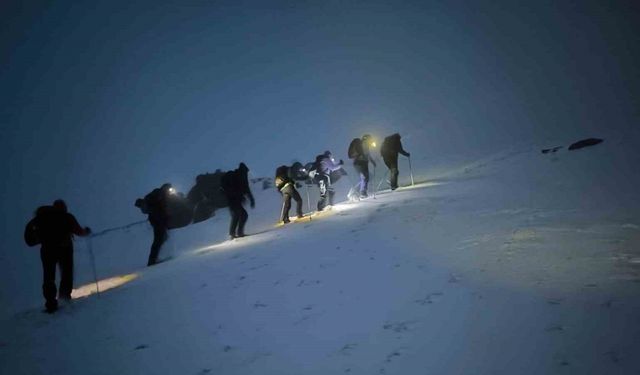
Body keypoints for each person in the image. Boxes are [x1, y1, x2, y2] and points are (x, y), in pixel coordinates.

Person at [24, 200, 91, 313]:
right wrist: (86, 231)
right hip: (65, 249)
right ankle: (64, 298)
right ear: (64, 208)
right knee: (66, 273)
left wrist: (38, 239)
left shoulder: (40, 219)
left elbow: (28, 236)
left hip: (47, 251)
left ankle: (50, 302)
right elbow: (78, 231)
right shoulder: (67, 217)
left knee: (49, 276)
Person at [135, 183, 172, 266]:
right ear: (165, 188)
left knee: (162, 238)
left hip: (156, 220)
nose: (170, 191)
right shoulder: (158, 193)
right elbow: (159, 208)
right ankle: (152, 261)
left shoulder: (160, 194)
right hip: (157, 220)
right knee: (158, 240)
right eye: (169, 188)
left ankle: (155, 258)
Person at [222, 162, 255, 239]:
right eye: (246, 172)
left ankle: (237, 233)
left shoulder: (242, 177)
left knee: (242, 215)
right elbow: (245, 189)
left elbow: (247, 189)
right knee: (238, 215)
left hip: (236, 200)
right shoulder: (237, 176)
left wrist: (251, 199)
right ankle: (233, 233)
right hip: (232, 200)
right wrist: (250, 199)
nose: (247, 174)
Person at [348, 134, 377, 198]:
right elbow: (363, 154)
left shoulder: (366, 146)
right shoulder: (360, 144)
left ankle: (359, 192)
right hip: (359, 162)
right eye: (370, 139)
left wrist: (372, 162)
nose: (370, 141)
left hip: (364, 162)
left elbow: (367, 155)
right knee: (364, 177)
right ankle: (361, 192)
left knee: (366, 177)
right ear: (366, 139)